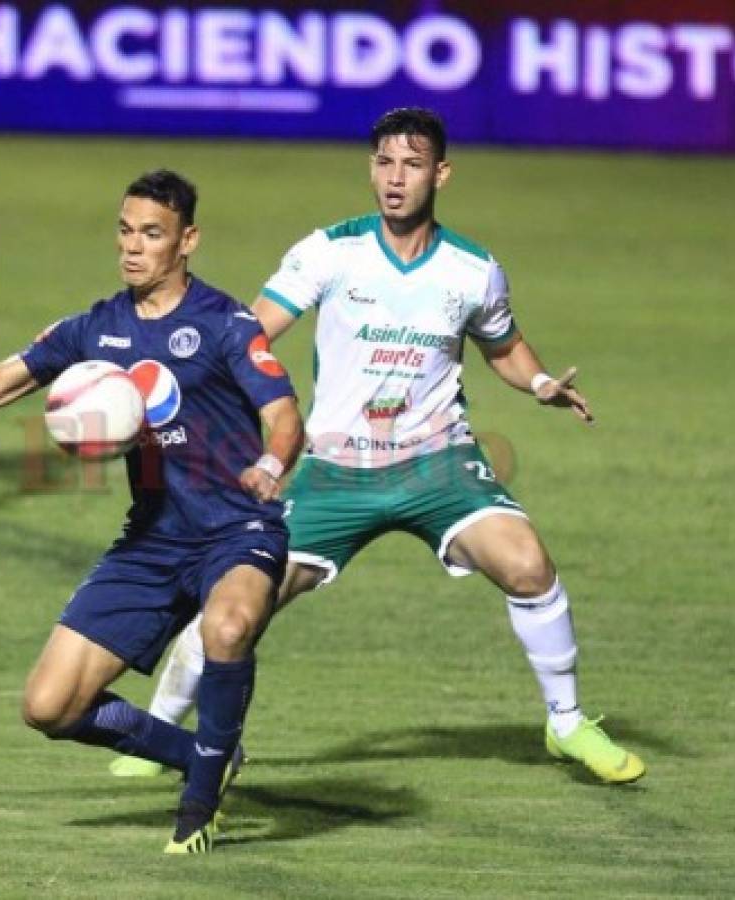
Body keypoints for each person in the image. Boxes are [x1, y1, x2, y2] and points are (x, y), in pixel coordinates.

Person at [114, 108, 646, 785]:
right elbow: (248, 336)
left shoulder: (473, 270)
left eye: (412, 164)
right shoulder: (328, 253)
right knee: (237, 603)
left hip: (438, 463)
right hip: (335, 469)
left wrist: (538, 381)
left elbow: (503, 346)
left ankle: (566, 724)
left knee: (527, 565)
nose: (394, 179)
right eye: (384, 163)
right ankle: (160, 735)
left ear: (440, 173)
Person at [0, 170, 305, 853]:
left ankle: (198, 809)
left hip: (238, 528)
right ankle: (205, 755)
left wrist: (269, 463)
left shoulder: (225, 324)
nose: (132, 247)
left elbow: (284, 416)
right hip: (151, 542)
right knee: (49, 707)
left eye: (151, 234)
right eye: (124, 230)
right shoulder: (96, 327)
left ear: (186, 241)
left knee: (227, 628)